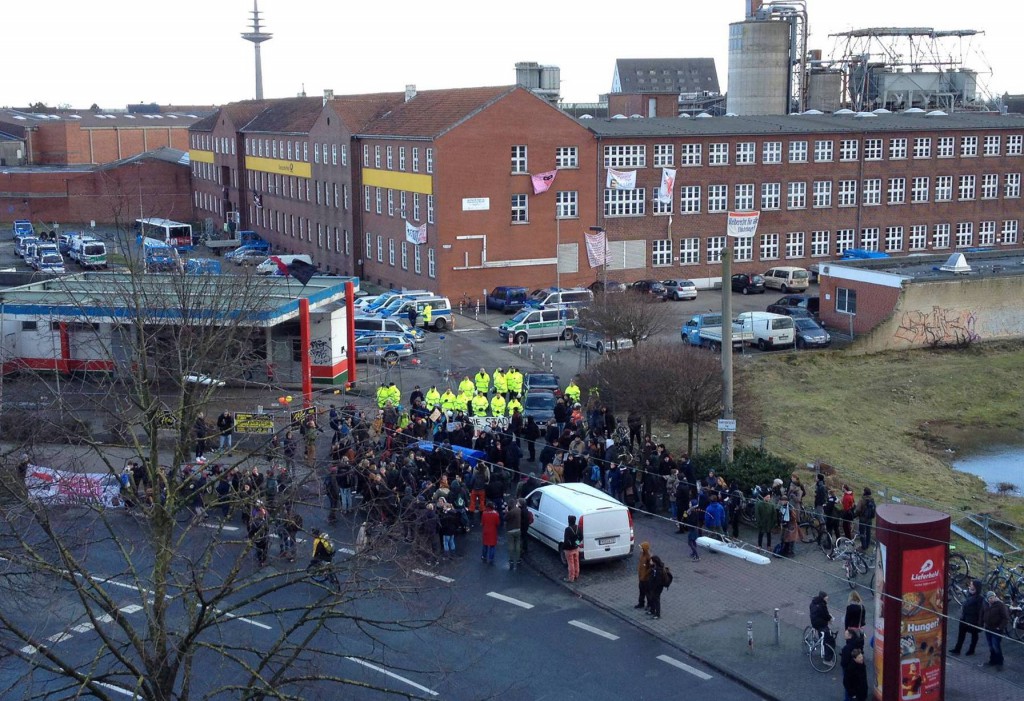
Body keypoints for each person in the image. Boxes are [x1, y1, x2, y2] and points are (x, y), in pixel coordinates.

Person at [950, 579, 984, 655]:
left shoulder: (979, 598)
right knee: (961, 634)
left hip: (973, 619)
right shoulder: (969, 593)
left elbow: (980, 610)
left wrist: (979, 621)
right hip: (964, 618)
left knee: (974, 634)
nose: (970, 585)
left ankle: (971, 650)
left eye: (971, 584)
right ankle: (957, 649)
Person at [983, 590, 1010, 667]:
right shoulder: (985, 604)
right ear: (987, 599)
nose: (991, 599)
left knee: (996, 645)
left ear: (995, 597)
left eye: (993, 597)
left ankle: (999, 661)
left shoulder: (1000, 605)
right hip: (988, 628)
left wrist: (1000, 627)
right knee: (990, 645)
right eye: (990, 598)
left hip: (996, 629)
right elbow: (982, 612)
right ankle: (992, 660)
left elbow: (1005, 618)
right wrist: (982, 622)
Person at [809, 591, 835, 659]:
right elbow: (826, 615)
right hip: (820, 624)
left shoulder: (814, 602)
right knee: (826, 637)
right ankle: (826, 655)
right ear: (823, 598)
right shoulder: (822, 605)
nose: (827, 600)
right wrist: (830, 618)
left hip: (813, 621)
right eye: (826, 599)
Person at [646, 555, 668, 620]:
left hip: (657, 588)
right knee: (652, 598)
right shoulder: (655, 567)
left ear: (654, 562)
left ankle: (657, 614)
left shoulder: (659, 571)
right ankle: (652, 610)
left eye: (651, 561)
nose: (650, 562)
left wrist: (652, 587)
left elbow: (658, 581)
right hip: (653, 587)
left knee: (656, 600)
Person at [562, 514, 581, 583]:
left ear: (569, 521)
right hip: (576, 548)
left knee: (570, 564)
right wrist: (576, 543)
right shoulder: (578, 528)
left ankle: (571, 578)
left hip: (569, 549)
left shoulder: (567, 529)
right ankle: (576, 574)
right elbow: (581, 537)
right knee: (576, 562)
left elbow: (566, 540)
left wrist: (567, 546)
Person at [505, 498, 522, 570]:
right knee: (517, 545)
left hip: (510, 530)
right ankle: (518, 559)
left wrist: (506, 511)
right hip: (518, 529)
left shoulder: (510, 512)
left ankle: (511, 560)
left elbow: (505, 518)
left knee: (511, 546)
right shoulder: (519, 510)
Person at [635, 541, 652, 610]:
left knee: (648, 593)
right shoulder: (642, 554)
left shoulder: (649, 557)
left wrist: (645, 574)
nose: (640, 549)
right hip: (641, 577)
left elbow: (650, 568)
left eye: (641, 548)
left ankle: (649, 604)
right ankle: (641, 603)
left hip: (646, 579)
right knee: (641, 591)